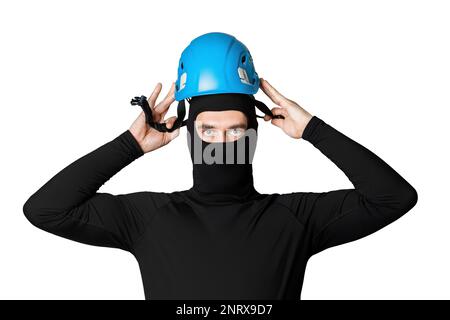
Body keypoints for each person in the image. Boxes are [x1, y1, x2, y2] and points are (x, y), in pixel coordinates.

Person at [23, 32, 417, 300]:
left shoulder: (296, 218)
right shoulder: (148, 217)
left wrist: (313, 129)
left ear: (255, 131)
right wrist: (130, 145)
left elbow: (393, 198)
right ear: (189, 131)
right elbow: (45, 209)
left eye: (236, 130)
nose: (223, 142)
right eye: (209, 129)